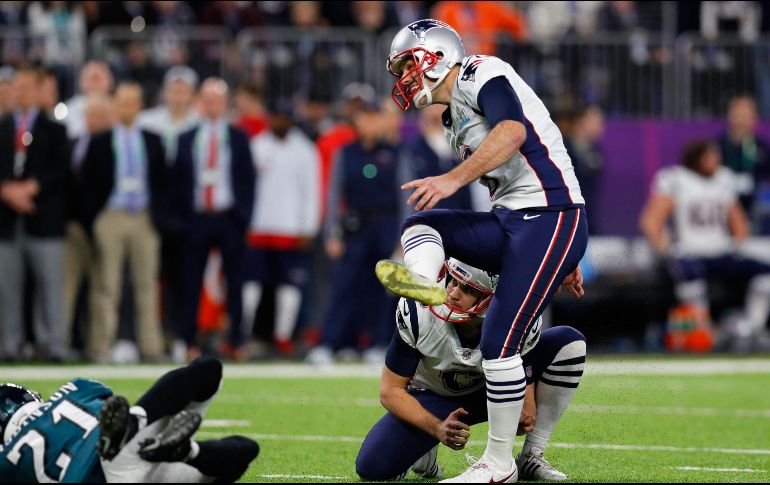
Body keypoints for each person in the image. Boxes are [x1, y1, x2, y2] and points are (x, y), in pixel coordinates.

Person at [375, 20, 587, 482]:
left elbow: (512, 131)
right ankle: (426, 288)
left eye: (408, 65)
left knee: (499, 341)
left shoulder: (480, 72)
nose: (405, 78)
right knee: (421, 224)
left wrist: (451, 180)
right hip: (515, 220)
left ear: (436, 56)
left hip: (549, 213)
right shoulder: (453, 119)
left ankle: (500, 463)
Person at [356, 259, 585, 481]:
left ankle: (532, 454)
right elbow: (390, 391)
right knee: (372, 466)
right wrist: (435, 427)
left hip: (494, 391)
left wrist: (526, 399)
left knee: (568, 344)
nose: (453, 293)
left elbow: (525, 355)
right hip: (434, 397)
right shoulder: (419, 312)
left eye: (469, 289)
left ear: (491, 299)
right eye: (453, 281)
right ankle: (425, 448)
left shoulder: (513, 314)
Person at [0, 357, 260, 482]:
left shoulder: (7, 460)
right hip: (123, 453)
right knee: (210, 370)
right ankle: (162, 437)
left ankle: (166, 443)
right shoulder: (76, 389)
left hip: (108, 473)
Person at [639, 140, 770, 346]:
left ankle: (752, 327)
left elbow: (739, 223)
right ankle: (702, 332)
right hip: (689, 251)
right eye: (710, 156)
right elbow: (651, 221)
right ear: (697, 159)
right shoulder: (677, 180)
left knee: (765, 272)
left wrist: (738, 244)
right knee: (689, 279)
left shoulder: (724, 178)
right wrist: (665, 248)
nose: (716, 160)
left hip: (720, 250)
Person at [306, 102, 404, 366]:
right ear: (357, 121)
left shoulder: (396, 153)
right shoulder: (345, 153)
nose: (369, 124)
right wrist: (331, 233)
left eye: (374, 118)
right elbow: (334, 195)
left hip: (386, 225)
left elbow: (404, 196)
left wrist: (403, 236)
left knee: (382, 289)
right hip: (355, 226)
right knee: (344, 285)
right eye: (364, 118)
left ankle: (377, 343)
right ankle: (329, 343)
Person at [80, 82, 167, 362]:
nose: (127, 108)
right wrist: (97, 218)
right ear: (114, 105)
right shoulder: (100, 141)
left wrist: (158, 216)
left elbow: (163, 182)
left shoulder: (153, 140)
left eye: (132, 102)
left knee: (147, 285)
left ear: (139, 106)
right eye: (122, 102)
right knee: (106, 284)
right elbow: (88, 182)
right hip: (112, 214)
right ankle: (100, 346)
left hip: (143, 216)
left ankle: (151, 347)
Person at [171, 78, 256, 361]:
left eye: (217, 101)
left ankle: (236, 341)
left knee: (235, 282)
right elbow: (178, 181)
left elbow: (247, 180)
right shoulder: (187, 137)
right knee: (191, 282)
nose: (211, 106)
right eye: (207, 100)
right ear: (199, 102)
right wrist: (181, 219)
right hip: (197, 217)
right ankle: (188, 340)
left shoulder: (238, 137)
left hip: (228, 216)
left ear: (225, 104)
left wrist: (243, 217)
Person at [0, 66, 71, 363]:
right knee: (7, 288)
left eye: (29, 86)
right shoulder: (3, 126)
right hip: (6, 221)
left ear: (40, 90)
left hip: (44, 220)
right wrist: (7, 190)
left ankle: (52, 344)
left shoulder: (55, 130)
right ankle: (9, 344)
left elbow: (62, 171)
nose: (23, 91)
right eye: (18, 85)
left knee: (50, 285)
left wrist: (33, 187)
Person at [243, 101, 321, 356]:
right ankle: (248, 333)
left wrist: (308, 227)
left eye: (285, 118)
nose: (280, 122)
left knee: (289, 285)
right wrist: (245, 222)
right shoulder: (256, 146)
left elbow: (311, 192)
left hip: (290, 228)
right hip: (258, 224)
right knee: (253, 283)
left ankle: (283, 336)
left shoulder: (304, 150)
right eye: (277, 117)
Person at [63, 93, 114, 352]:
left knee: (102, 289)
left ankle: (98, 347)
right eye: (90, 114)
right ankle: (59, 343)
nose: (94, 120)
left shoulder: (113, 146)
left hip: (102, 224)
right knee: (66, 289)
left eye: (99, 115)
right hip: (73, 226)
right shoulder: (72, 143)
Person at [64, 61, 114, 140]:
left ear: (110, 81)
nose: (95, 83)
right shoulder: (70, 108)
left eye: (98, 79)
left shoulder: (120, 105)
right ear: (82, 82)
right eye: (91, 79)